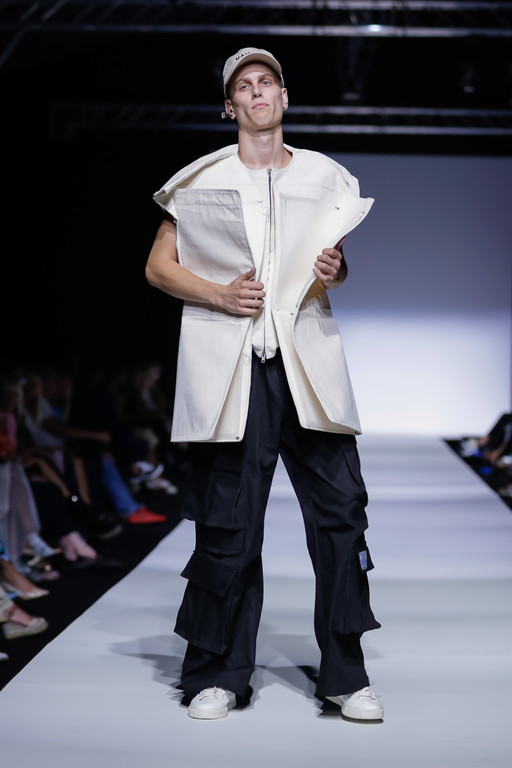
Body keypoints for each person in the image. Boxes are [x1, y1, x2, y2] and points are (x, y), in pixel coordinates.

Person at [145, 47, 382, 722]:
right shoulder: (201, 179)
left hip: (308, 364)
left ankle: (346, 676)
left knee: (341, 518)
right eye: (244, 86)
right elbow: (158, 266)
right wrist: (218, 295)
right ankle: (218, 673)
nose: (257, 92)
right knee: (229, 523)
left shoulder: (326, 176)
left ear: (283, 97)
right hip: (232, 365)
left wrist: (337, 271)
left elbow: (334, 264)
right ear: (230, 106)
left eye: (266, 82)